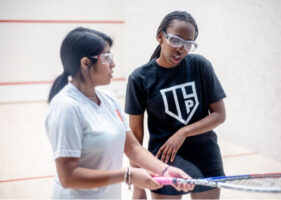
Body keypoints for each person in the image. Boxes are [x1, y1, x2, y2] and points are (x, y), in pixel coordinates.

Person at [45, 27, 194, 199]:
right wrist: (128, 175)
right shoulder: (67, 107)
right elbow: (68, 177)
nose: (113, 64)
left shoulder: (108, 99)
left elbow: (133, 148)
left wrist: (166, 170)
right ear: (86, 63)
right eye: (107, 58)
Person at [125, 11, 226, 199]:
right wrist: (138, 182)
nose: (182, 49)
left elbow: (219, 114)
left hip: (205, 154)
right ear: (160, 37)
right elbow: (136, 136)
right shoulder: (139, 78)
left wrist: (183, 132)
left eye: (189, 44)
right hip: (162, 160)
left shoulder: (200, 65)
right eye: (176, 41)